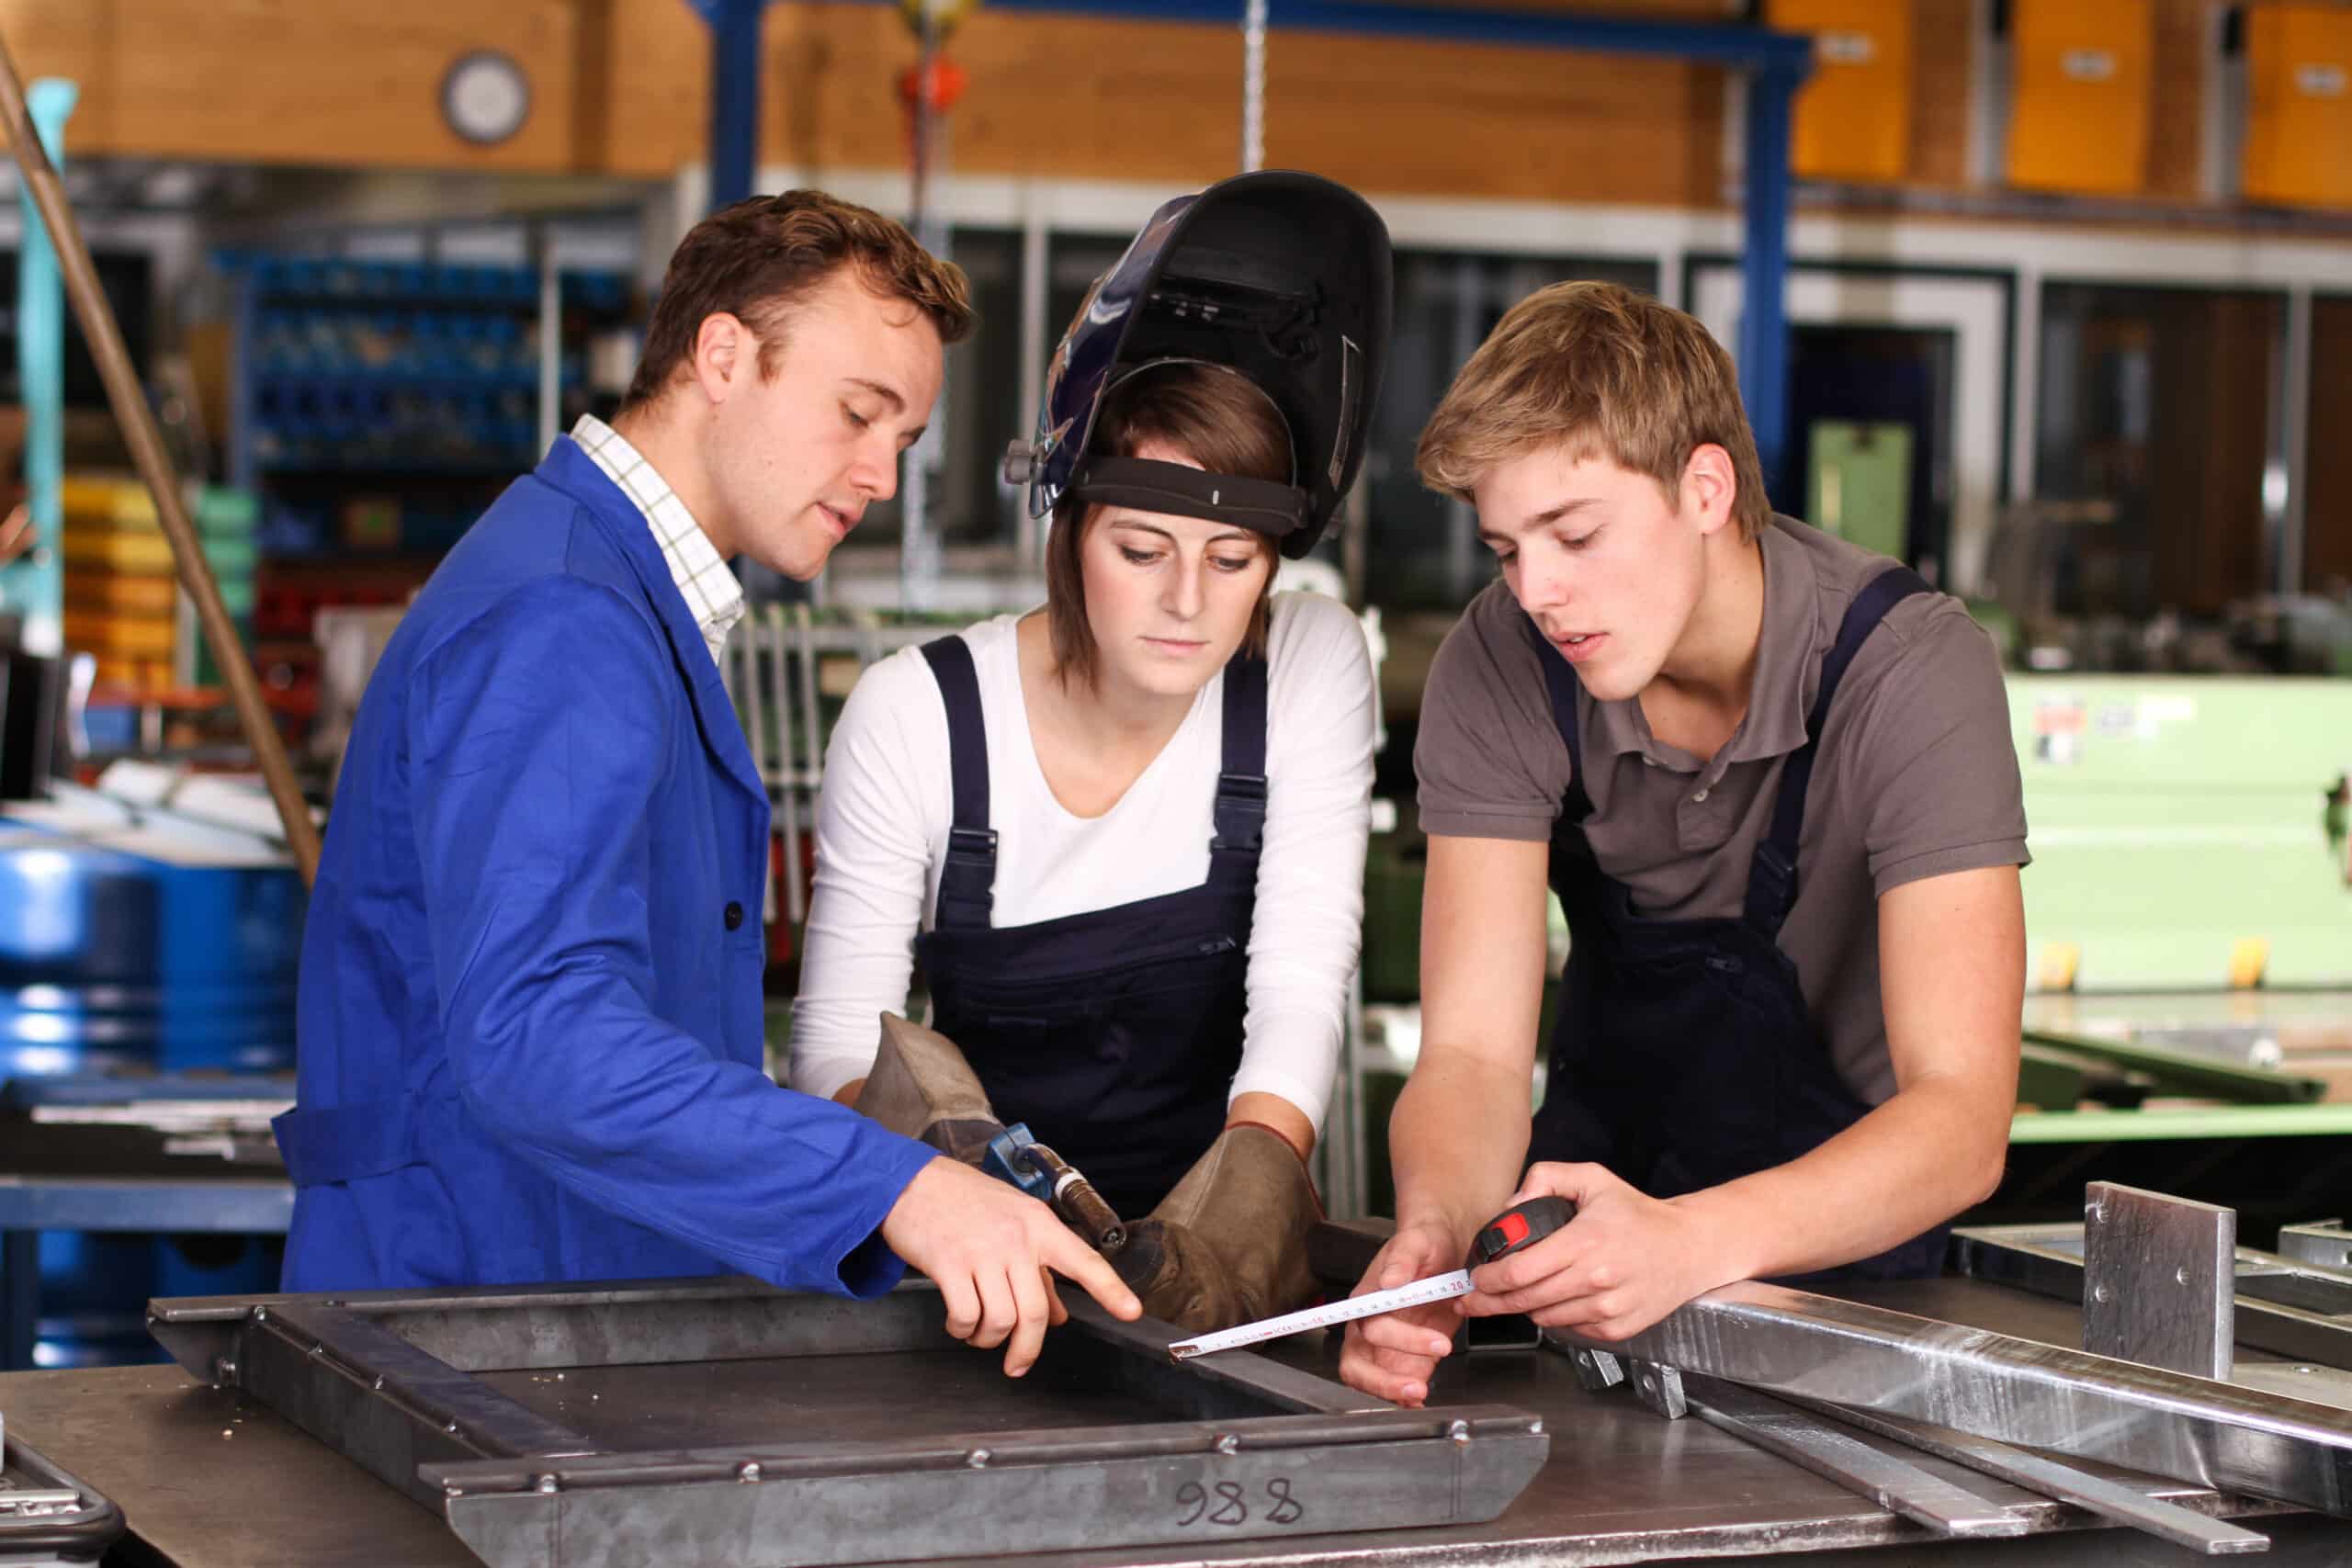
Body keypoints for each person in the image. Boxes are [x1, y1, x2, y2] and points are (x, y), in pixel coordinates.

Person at [272, 190, 1139, 1377]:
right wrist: (893, 1188)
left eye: (905, 439)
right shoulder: (566, 616)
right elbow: (538, 1030)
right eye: (857, 413)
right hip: (465, 1323)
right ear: (722, 354)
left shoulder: (615, 590)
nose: (880, 474)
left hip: (516, 1308)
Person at [1341, 281, 2027, 1404]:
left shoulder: (1907, 673)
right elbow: (1469, 1055)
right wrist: (1433, 1234)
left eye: (1574, 535)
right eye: (1506, 549)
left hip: (1853, 1283)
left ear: (1704, 488)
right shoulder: (1501, 662)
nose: (1539, 594)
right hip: (1584, 1252)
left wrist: (1685, 1244)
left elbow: (1959, 1118)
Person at [791, 171, 1390, 1332]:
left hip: (1208, 1275)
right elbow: (834, 1049)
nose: (1186, 603)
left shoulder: (1308, 665)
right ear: (1066, 528)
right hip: (962, 1273)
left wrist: (1253, 1197)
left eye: (1233, 561)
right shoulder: (919, 715)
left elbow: (1300, 977)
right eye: (1141, 548)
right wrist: (957, 1189)